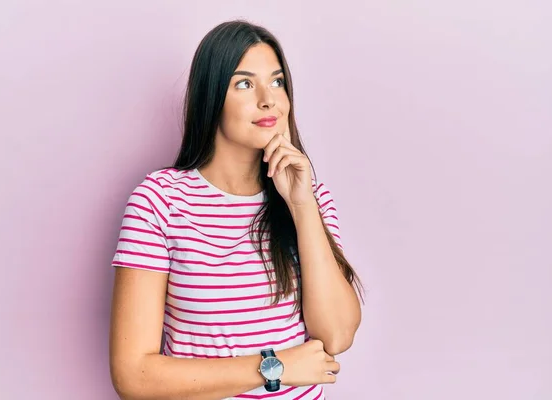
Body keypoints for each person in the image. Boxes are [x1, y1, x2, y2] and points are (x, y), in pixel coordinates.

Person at [109, 19, 364, 400]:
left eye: (277, 82)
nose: (268, 99)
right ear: (211, 98)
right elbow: (134, 375)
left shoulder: (311, 198)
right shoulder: (159, 202)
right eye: (244, 83)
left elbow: (337, 336)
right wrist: (274, 366)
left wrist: (301, 204)